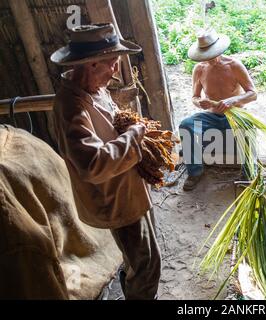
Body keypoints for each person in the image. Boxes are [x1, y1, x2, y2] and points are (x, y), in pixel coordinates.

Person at [50, 23, 160, 300]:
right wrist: (134, 136)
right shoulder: (71, 106)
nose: (115, 70)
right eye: (112, 63)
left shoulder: (96, 89)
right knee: (146, 264)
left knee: (140, 258)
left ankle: (132, 288)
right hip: (113, 198)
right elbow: (92, 164)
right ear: (92, 64)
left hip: (127, 188)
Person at [179, 28, 257, 191]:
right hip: (213, 117)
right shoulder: (199, 69)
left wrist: (233, 100)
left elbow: (253, 94)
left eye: (213, 54)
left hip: (235, 115)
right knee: (186, 125)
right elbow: (194, 96)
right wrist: (200, 102)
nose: (211, 59)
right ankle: (195, 171)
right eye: (206, 56)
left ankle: (249, 173)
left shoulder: (234, 65)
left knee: (249, 127)